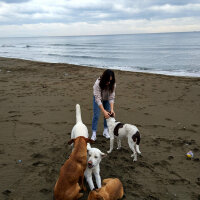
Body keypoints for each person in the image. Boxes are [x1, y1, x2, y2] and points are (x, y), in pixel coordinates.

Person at [91, 69, 116, 141]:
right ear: (104, 78)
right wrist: (103, 111)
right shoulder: (97, 83)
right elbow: (98, 99)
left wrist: (112, 109)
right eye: (108, 80)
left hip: (107, 99)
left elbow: (111, 97)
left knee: (108, 115)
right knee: (96, 115)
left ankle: (105, 131)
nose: (109, 82)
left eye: (110, 81)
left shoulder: (112, 83)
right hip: (98, 98)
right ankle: (94, 133)